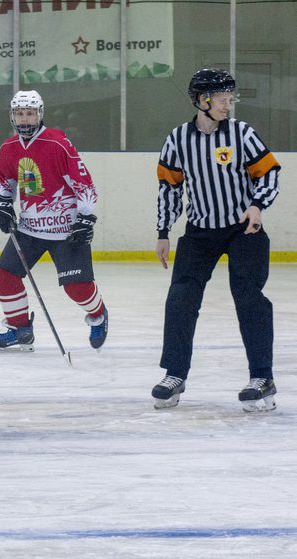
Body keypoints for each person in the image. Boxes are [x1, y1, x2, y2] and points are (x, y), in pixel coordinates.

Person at [151, 68, 280, 412]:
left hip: (244, 230)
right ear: (202, 100)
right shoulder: (178, 139)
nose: (228, 103)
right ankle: (174, 374)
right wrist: (163, 231)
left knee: (248, 297)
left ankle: (262, 377)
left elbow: (269, 172)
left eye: (229, 97)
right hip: (200, 232)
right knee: (180, 299)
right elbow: (169, 187)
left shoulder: (241, 133)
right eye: (222, 98)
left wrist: (256, 205)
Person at [0, 90, 107, 352]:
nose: (25, 119)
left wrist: (86, 217)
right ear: (12, 116)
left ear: (40, 114)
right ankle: (20, 329)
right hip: (30, 227)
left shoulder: (58, 143)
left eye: (30, 113)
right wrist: (3, 203)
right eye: (19, 113)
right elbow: (5, 180)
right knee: (4, 275)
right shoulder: (9, 148)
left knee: (77, 288)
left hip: (67, 229)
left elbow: (83, 182)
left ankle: (98, 314)